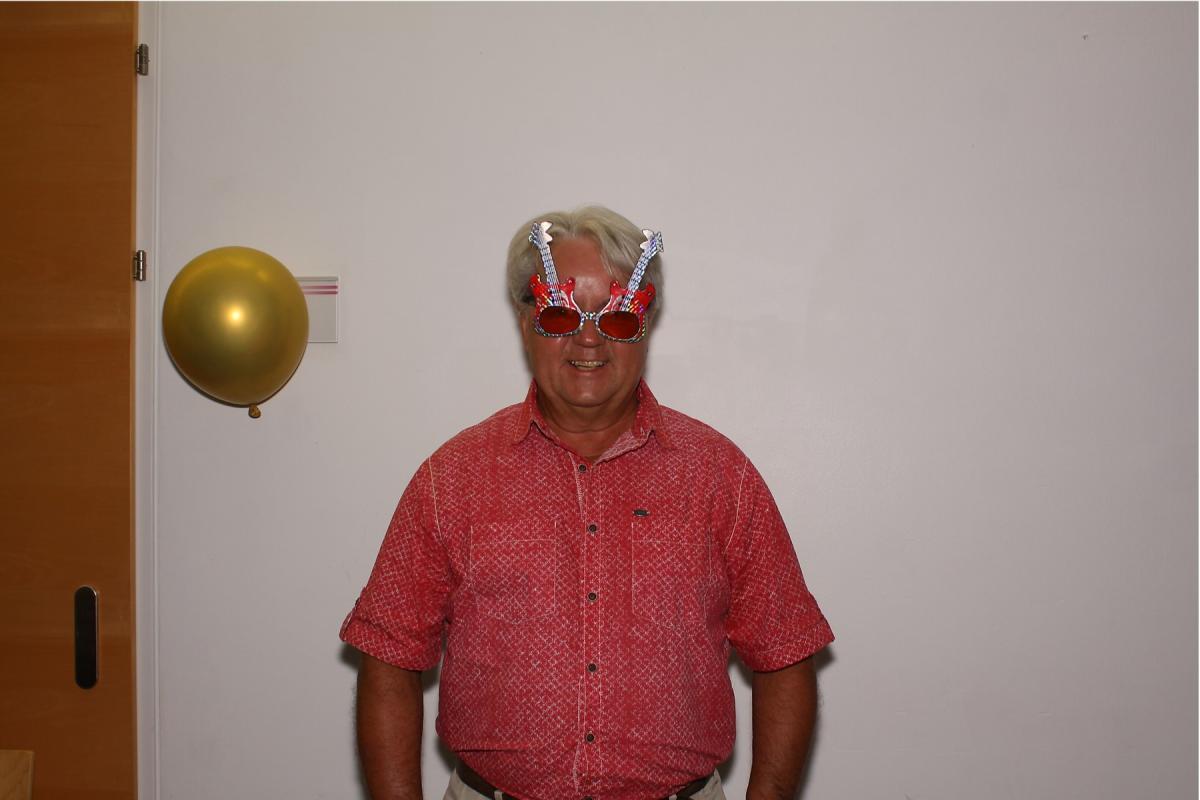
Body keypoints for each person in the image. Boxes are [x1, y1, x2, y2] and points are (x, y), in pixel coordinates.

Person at [341, 206, 834, 800]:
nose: (590, 338)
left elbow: (786, 648)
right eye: (561, 313)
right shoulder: (452, 479)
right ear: (525, 320)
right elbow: (388, 653)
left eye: (617, 318)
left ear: (646, 322)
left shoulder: (720, 477)